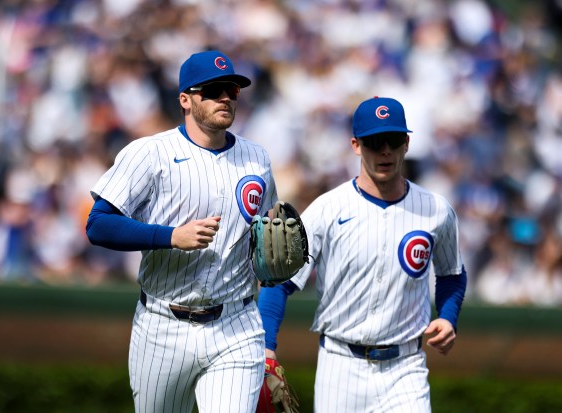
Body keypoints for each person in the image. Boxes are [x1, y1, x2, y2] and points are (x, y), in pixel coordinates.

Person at [86, 50, 278, 413]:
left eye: (232, 90)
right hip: (163, 325)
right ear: (185, 99)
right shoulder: (150, 152)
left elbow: (268, 240)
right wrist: (170, 236)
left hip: (236, 324)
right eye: (214, 89)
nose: (225, 97)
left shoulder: (258, 159)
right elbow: (98, 224)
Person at [258, 96, 467, 412]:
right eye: (374, 142)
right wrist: (266, 347)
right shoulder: (328, 209)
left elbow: (452, 273)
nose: (385, 150)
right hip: (341, 366)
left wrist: (448, 317)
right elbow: (279, 282)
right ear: (356, 145)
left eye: (393, 140)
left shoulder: (436, 210)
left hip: (406, 367)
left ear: (406, 144)